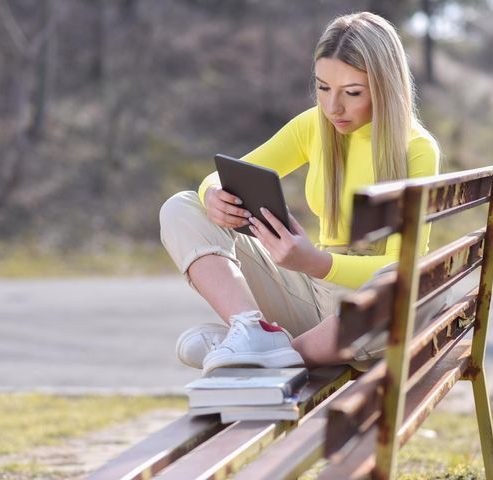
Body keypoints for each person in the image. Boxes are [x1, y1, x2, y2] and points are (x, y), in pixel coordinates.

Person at [159, 11, 440, 375]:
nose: (332, 106)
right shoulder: (313, 126)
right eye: (323, 88)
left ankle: (265, 353)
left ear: (385, 87)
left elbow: (404, 267)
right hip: (313, 295)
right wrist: (213, 193)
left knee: (395, 295)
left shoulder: (416, 149)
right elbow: (224, 175)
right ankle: (253, 334)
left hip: (367, 304)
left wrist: (316, 263)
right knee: (181, 207)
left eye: (352, 93)